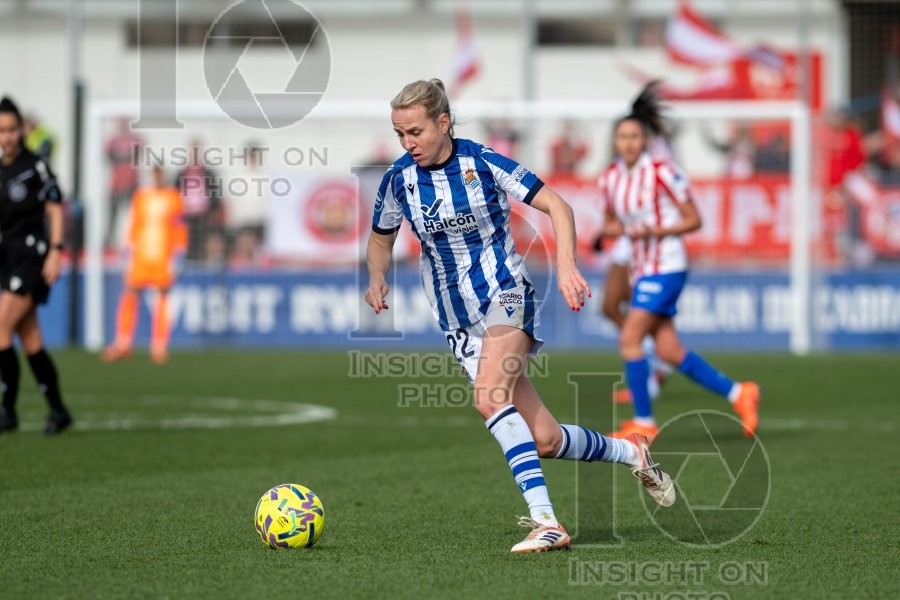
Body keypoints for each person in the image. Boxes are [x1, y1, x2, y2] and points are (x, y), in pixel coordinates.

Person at [365, 79, 675, 553]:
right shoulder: (397, 179)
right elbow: (381, 237)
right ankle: (632, 451)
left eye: (415, 132)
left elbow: (556, 204)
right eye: (399, 133)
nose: (407, 143)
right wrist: (376, 276)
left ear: (443, 122)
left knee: (489, 398)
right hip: (457, 320)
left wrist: (567, 263)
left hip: (506, 294)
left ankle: (546, 522)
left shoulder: (482, 163)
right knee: (546, 440)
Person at [597, 83, 760, 441]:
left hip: (668, 265)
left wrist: (656, 229)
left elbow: (694, 219)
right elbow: (611, 221)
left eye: (634, 136)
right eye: (622, 136)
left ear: (645, 140)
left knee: (630, 336)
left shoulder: (661, 172)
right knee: (669, 349)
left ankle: (644, 421)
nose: (627, 142)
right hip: (642, 268)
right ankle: (739, 393)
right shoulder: (609, 179)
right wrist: (615, 229)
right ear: (614, 141)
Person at [0, 96, 72, 435]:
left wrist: (56, 250)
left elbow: (56, 207)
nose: (8, 137)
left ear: (23, 129)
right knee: (30, 339)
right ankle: (58, 410)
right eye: (2, 130)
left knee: (0, 326)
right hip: (7, 259)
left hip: (33, 257)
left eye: (12, 129)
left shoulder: (35, 166)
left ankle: (7, 411)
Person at [102, 164, 186, 365]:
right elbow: (134, 225)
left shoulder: (173, 198)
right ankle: (123, 342)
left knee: (162, 299)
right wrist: (128, 252)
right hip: (141, 256)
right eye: (154, 172)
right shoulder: (141, 196)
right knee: (130, 294)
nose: (157, 176)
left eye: (160, 172)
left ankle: (159, 345)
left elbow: (179, 227)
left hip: (163, 257)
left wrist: (178, 254)